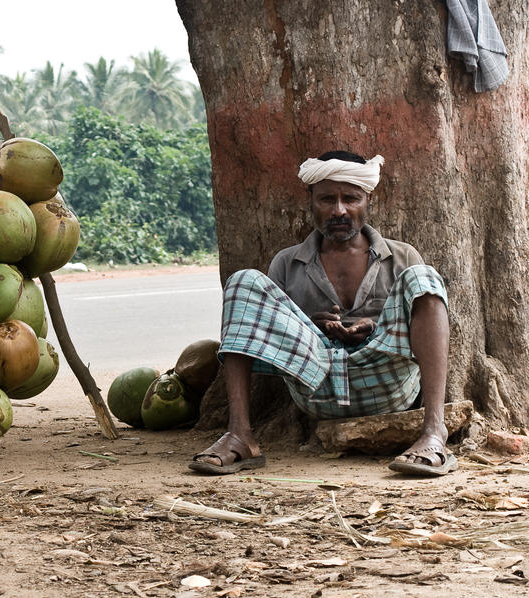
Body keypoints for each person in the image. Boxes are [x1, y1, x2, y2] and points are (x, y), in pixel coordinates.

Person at [189, 151, 456, 477]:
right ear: (311, 201)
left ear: (368, 199)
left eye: (351, 199)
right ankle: (240, 435)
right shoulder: (286, 263)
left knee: (424, 278)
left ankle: (433, 432)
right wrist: (310, 324)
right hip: (317, 386)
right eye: (327, 199)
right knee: (243, 281)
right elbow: (273, 333)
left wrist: (373, 325)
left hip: (389, 384)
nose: (339, 210)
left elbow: (412, 322)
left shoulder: (401, 256)